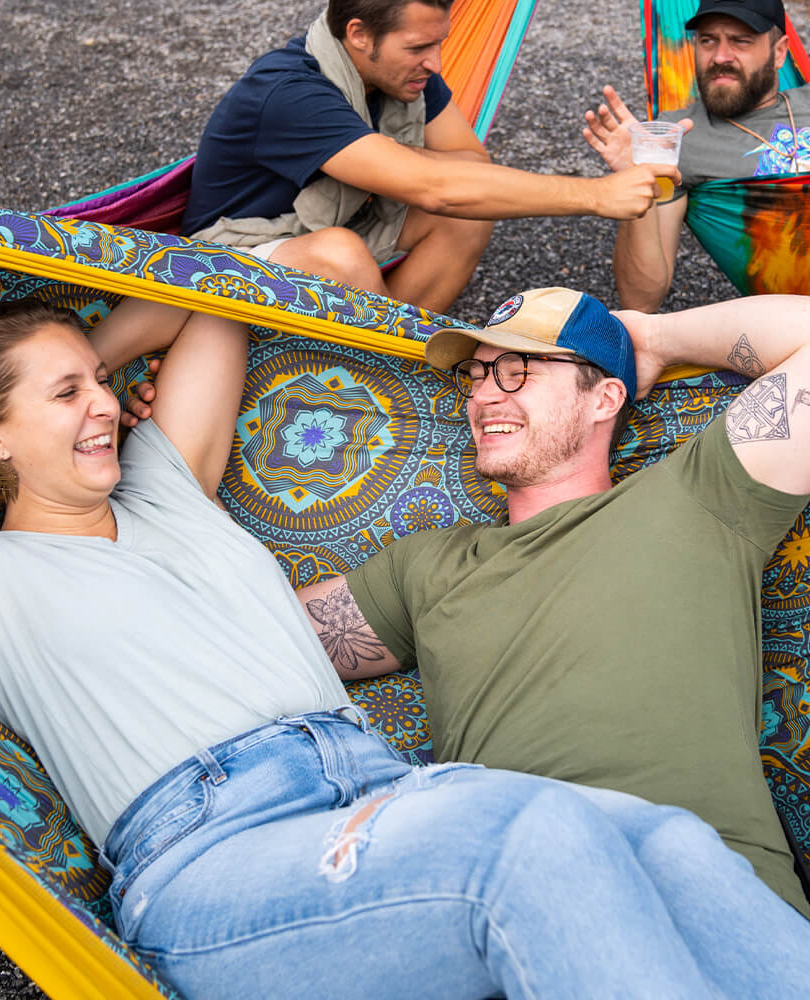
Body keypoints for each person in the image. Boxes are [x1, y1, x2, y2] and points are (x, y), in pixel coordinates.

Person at [0, 295, 809, 998]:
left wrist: (644, 334)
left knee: (672, 841)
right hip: (214, 855)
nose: (107, 404)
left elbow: (225, 287)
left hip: (380, 801)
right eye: (66, 393)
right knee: (536, 835)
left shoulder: (170, 487)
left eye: (105, 382)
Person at [298, 285, 810, 935]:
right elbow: (253, 645)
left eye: (519, 369)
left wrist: (655, 338)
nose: (484, 396)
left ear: (605, 398)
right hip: (519, 913)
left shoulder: (701, 496)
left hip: (719, 897)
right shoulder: (425, 567)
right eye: (477, 374)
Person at [181, 0, 675, 314]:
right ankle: (382, 371)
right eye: (419, 46)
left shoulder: (406, 75)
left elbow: (472, 166)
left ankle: (392, 345)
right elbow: (436, 187)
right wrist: (596, 195)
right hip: (228, 257)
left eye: (441, 42)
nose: (436, 63)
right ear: (359, 34)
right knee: (341, 253)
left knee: (466, 215)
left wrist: (390, 158)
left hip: (333, 225)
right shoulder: (291, 92)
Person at [582, 0, 808, 311]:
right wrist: (637, 177)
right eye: (707, 41)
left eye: (741, 41)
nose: (720, 57)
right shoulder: (676, 138)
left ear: (779, 52)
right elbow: (640, 301)